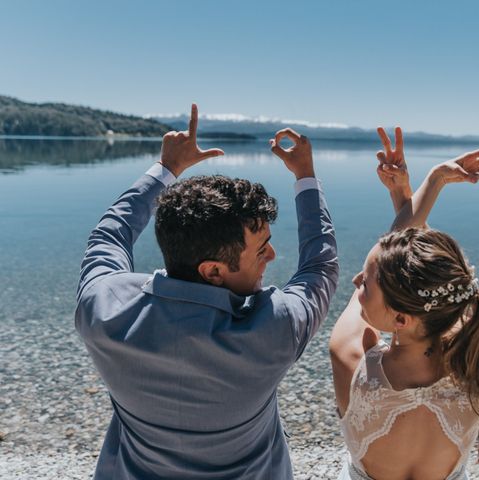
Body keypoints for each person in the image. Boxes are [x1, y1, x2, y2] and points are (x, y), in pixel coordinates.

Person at [75, 104, 339, 479]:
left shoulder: (104, 311)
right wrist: (306, 176)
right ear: (213, 271)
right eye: (261, 249)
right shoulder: (273, 329)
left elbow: (109, 236)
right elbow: (320, 266)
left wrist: (166, 170)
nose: (272, 255)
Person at [329, 127, 479, 480]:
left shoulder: (351, 360)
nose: (356, 283)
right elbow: (432, 278)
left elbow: (422, 275)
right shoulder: (477, 366)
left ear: (401, 319)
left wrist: (434, 182)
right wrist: (408, 192)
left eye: (365, 284)